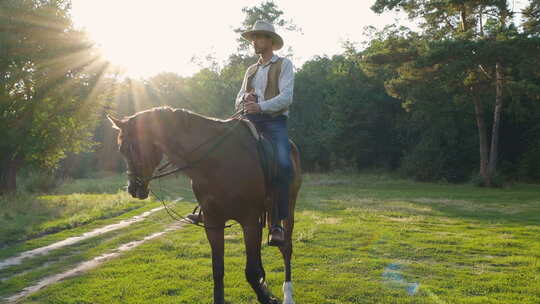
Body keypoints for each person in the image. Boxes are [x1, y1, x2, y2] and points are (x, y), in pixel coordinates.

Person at [188, 20, 294, 246]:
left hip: (274, 122)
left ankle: (276, 223)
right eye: (253, 38)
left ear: (270, 41)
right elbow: (238, 96)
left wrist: (261, 106)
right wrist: (244, 100)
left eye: (259, 37)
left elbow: (287, 97)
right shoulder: (251, 70)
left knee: (284, 164)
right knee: (217, 148)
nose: (254, 42)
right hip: (248, 118)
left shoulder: (284, 65)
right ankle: (207, 208)